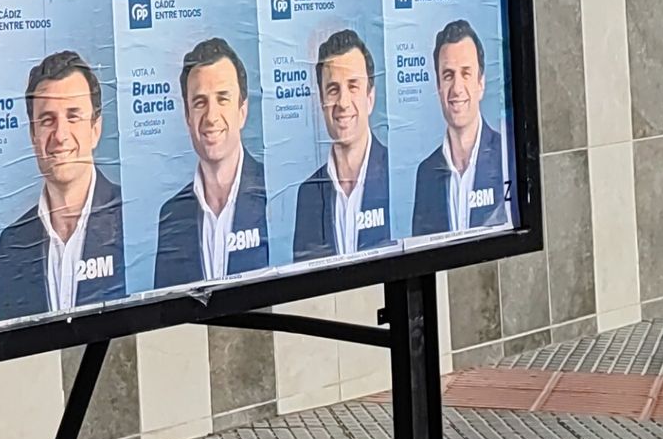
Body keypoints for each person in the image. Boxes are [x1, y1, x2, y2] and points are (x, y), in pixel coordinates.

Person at [0, 51, 126, 322]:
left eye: (73, 116)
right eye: (47, 120)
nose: (60, 136)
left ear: (95, 129)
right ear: (33, 134)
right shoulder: (13, 242)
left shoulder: (130, 219)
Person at [153, 37, 269, 287]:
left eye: (223, 98)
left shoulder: (273, 194)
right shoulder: (171, 215)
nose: (211, 116)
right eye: (199, 102)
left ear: (242, 110)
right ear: (187, 115)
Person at [293, 29, 391, 261]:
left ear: (370, 97)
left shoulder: (395, 176)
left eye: (353, 86)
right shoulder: (308, 194)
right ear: (321, 101)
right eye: (333, 89)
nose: (343, 103)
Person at [411, 20, 509, 236]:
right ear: (438, 86)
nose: (456, 88)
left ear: (480, 83)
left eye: (466, 73)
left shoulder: (506, 156)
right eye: (448, 75)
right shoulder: (426, 173)